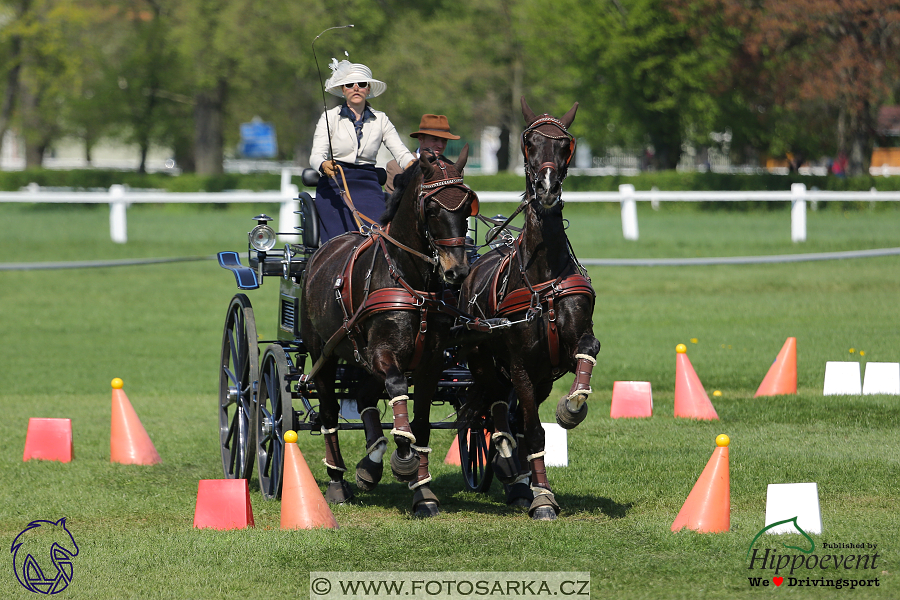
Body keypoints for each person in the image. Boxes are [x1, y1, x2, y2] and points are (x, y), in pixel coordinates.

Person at [310, 59, 416, 244]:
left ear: (368, 89)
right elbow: (316, 155)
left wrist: (412, 165)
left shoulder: (381, 120)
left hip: (368, 185)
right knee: (340, 241)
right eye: (350, 84)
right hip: (335, 184)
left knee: (377, 237)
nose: (356, 88)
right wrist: (323, 164)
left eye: (362, 84)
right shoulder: (330, 117)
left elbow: (401, 152)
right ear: (343, 90)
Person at [384, 114, 461, 194]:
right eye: (435, 139)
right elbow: (392, 204)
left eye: (444, 140)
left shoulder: (453, 170)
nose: (440, 145)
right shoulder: (395, 167)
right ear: (421, 139)